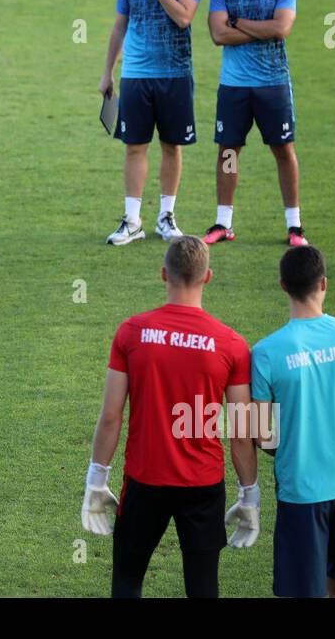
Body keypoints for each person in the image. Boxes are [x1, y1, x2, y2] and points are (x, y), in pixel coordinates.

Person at [81, 235, 258, 597]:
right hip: (204, 485)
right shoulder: (232, 344)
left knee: (128, 580)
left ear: (164, 274)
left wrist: (97, 479)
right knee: (203, 587)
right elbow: (242, 431)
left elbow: (111, 415)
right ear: (208, 276)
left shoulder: (132, 332)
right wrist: (249, 495)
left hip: (146, 481)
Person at [251, 246, 335, 598]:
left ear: (282, 285)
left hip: (302, 491)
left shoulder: (265, 352)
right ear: (324, 283)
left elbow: (261, 435)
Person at [99, 0, 202, 246]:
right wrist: (108, 72)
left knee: (171, 146)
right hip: (136, 77)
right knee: (134, 146)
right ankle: (132, 220)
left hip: (174, 75)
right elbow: (119, 28)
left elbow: (183, 17)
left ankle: (166, 216)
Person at [205, 0, 306, 247]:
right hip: (234, 86)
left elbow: (281, 29)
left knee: (282, 149)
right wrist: (260, 27)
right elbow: (219, 35)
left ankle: (295, 226)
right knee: (229, 151)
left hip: (273, 83)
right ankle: (223, 223)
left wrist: (238, 23)